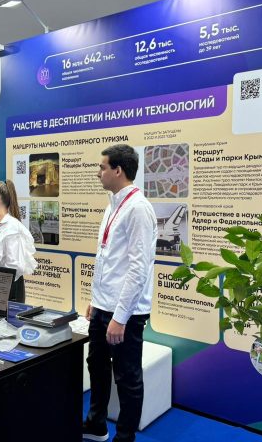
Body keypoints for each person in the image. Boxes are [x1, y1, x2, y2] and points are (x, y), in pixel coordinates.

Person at [83, 144, 157, 442]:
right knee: (97, 367)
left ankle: (125, 437)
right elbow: (107, 258)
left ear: (118, 170)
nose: (98, 173)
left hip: (125, 313)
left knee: (127, 377)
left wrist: (120, 317)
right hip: (104, 306)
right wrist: (96, 301)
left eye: (102, 167)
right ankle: (96, 425)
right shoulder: (113, 204)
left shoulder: (138, 209)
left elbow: (139, 269)